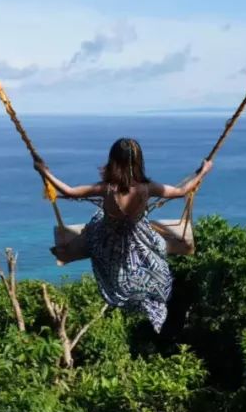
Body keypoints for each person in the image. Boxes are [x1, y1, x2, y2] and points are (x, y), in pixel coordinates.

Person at [34, 138, 212, 332]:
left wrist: (44, 172)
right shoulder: (148, 187)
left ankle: (66, 249)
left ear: (113, 161)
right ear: (138, 162)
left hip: (108, 240)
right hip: (139, 238)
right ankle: (145, 297)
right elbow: (181, 191)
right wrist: (202, 172)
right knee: (157, 251)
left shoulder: (106, 188)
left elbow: (69, 191)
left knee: (95, 225)